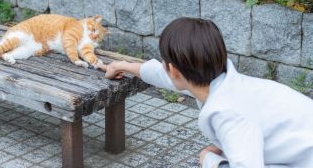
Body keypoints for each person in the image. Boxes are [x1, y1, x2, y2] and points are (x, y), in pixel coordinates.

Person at [97, 17, 313, 168]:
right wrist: (122, 65)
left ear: (173, 69)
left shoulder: (228, 113)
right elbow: (165, 76)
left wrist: (211, 160)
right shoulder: (221, 82)